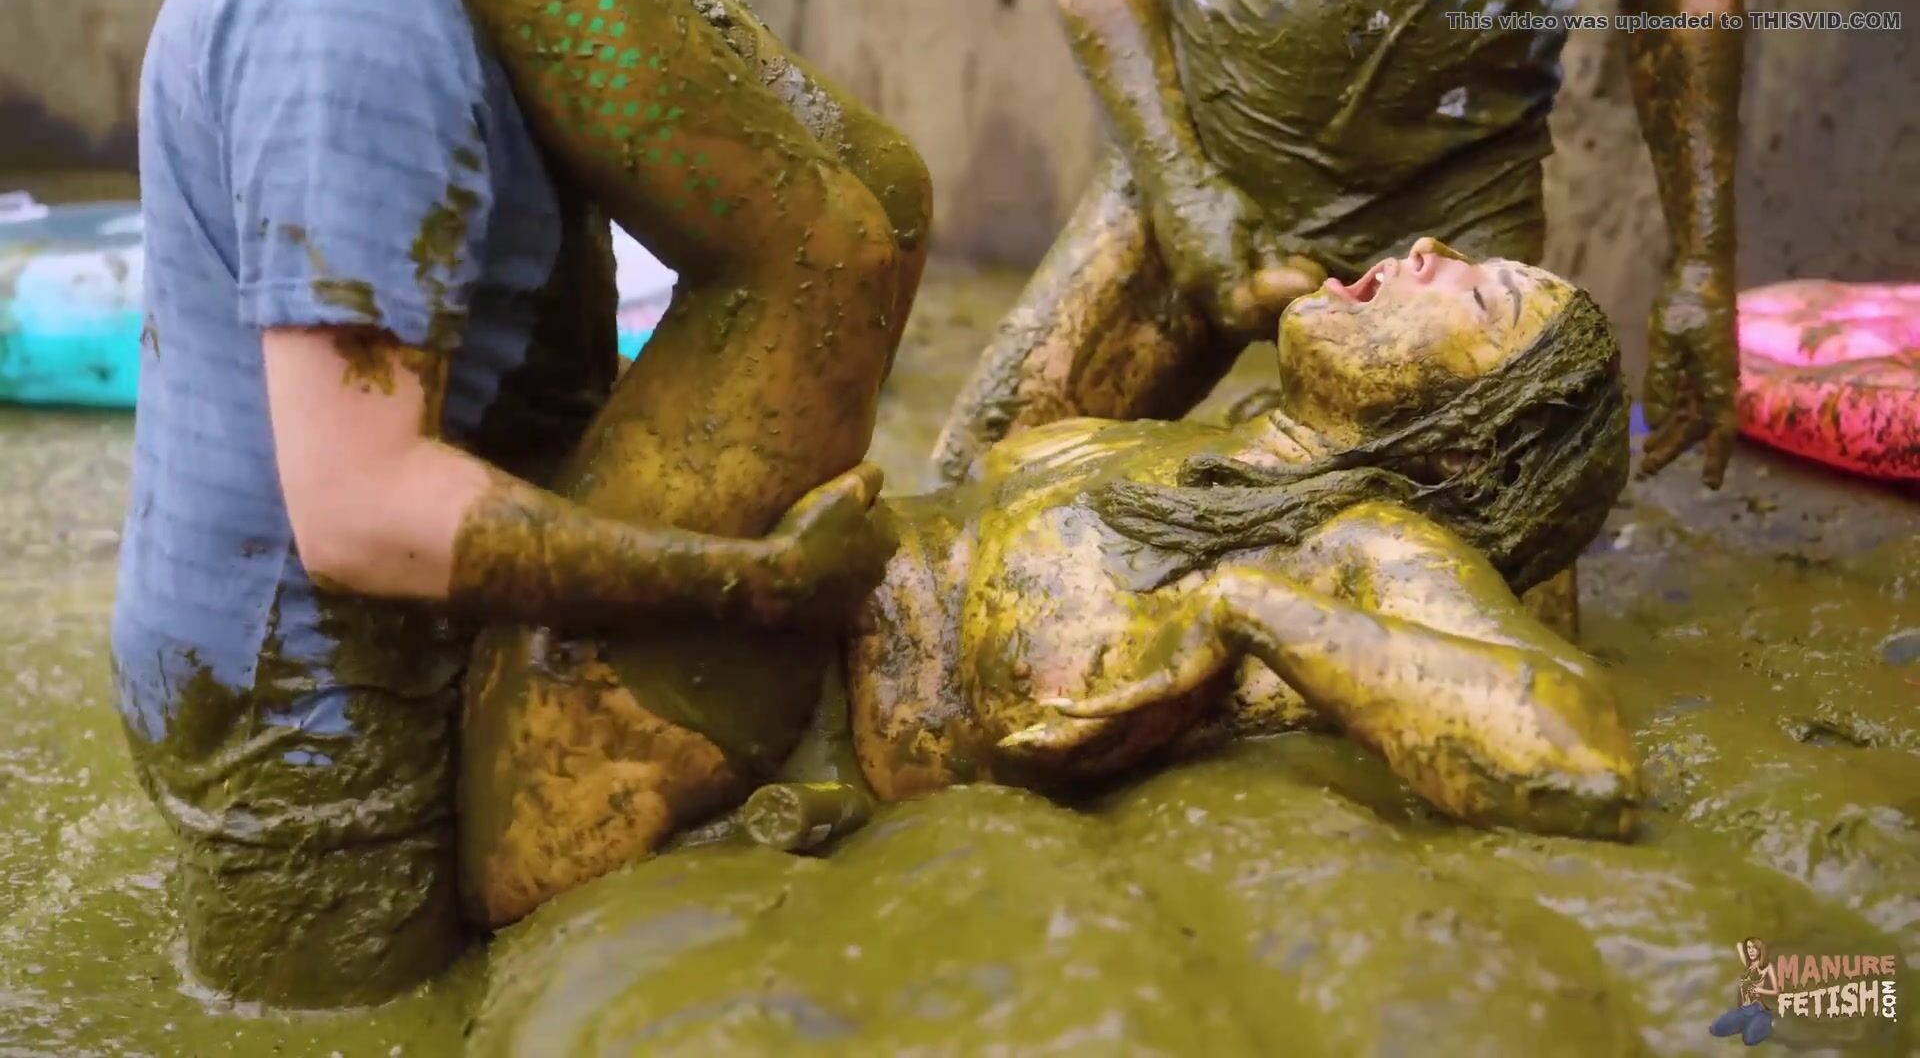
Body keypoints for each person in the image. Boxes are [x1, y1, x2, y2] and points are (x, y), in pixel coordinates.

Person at [115, 0, 922, 1006]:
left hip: (439, 599)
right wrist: (752, 580)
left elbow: (853, 197)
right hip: (311, 701)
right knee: (357, 1020)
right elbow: (360, 514)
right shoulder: (350, 20)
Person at [471, 240, 1644, 919]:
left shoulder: (1365, 546)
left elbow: (1579, 760)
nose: (1431, 255)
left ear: (1463, 450)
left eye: (1477, 294)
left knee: (812, 244)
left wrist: (1247, 611)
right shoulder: (1203, 444)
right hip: (691, 650)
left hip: (669, 750)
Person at [929, 0, 1745, 636]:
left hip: (1456, 204)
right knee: (962, 513)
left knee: (1505, 633)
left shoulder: (1452, 274)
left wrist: (1701, 261)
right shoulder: (1181, 183)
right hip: (1197, 160)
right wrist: (1178, 184)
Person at [1710, 938, 1779, 1045]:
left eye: (1754, 948)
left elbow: (1776, 991)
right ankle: (1745, 1025)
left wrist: (1759, 989)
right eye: (1749, 948)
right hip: (1743, 1009)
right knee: (1715, 1029)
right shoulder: (1748, 964)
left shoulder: (1767, 967)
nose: (1751, 951)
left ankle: (1767, 1023)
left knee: (1749, 1040)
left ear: (1760, 950)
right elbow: (1739, 945)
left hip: (1758, 1010)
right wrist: (1747, 945)